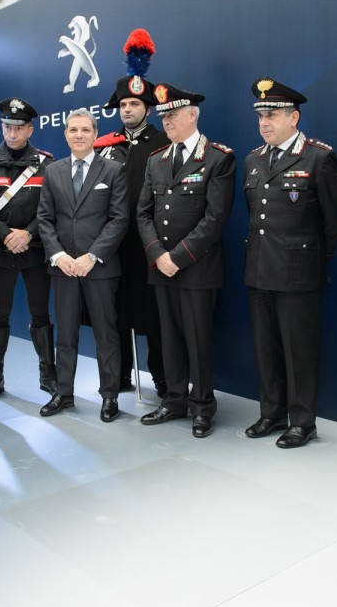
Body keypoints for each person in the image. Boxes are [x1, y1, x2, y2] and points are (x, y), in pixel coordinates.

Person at [242, 78, 337, 449]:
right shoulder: (254, 159)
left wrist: (309, 260)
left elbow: (335, 223)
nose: (265, 123)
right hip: (259, 269)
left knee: (299, 350)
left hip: (298, 274)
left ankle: (302, 421)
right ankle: (271, 413)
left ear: (294, 117)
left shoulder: (318, 157)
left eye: (272, 115)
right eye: (261, 116)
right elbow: (256, 216)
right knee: (265, 348)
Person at [136, 83, 235, 438]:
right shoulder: (156, 159)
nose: (167, 121)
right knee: (169, 338)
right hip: (162, 267)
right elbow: (143, 213)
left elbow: (215, 218)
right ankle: (174, 399)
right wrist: (157, 255)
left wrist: (176, 258)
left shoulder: (218, 158)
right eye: (163, 115)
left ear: (193, 115)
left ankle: (202, 406)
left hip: (197, 267)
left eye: (173, 114)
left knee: (197, 339)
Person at [35, 108, 129, 422]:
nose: (79, 135)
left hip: (99, 267)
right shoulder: (53, 171)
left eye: (85, 130)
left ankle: (110, 397)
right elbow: (45, 219)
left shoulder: (114, 170)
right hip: (63, 267)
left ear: (94, 133)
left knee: (106, 332)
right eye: (73, 130)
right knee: (65, 333)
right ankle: (63, 393)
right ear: (65, 134)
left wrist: (91, 256)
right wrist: (59, 256)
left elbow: (119, 219)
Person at [94, 29, 170, 397]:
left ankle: (161, 374)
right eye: (123, 105)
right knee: (114, 310)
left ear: (148, 108)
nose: (128, 110)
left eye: (135, 105)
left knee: (154, 314)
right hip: (113, 244)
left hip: (151, 242)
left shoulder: (164, 143)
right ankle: (120, 373)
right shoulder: (104, 146)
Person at [0, 97, 56, 400]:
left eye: (18, 127)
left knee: (40, 313)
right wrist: (5, 233)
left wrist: (28, 233)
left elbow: (53, 208)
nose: (11, 133)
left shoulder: (47, 164)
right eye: (7, 126)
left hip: (35, 250)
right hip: (0, 252)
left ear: (30, 130)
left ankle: (48, 375)